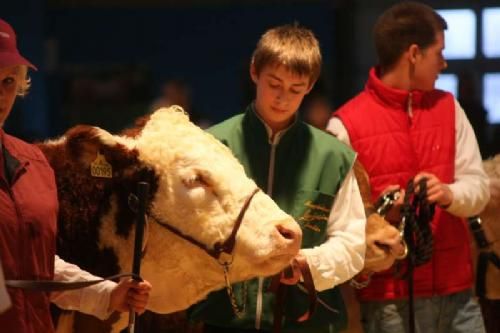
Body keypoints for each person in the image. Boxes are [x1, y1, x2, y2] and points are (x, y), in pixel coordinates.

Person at [189, 23, 367, 333]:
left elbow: (352, 246)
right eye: (274, 83)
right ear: (254, 72)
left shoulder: (332, 157)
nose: (283, 97)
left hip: (308, 322)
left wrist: (306, 264)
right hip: (226, 319)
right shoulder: (212, 145)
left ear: (310, 86)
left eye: (295, 89)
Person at [327, 2, 490, 332]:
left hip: (458, 296)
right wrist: (380, 214)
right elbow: (334, 220)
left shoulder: (450, 108)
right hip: (387, 301)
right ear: (414, 53)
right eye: (438, 53)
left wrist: (447, 193)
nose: (444, 63)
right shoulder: (344, 126)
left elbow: (479, 190)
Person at [0, 18, 152, 332]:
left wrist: (108, 294)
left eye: (8, 82)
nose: (1, 95)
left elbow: (40, 267)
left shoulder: (35, 164)